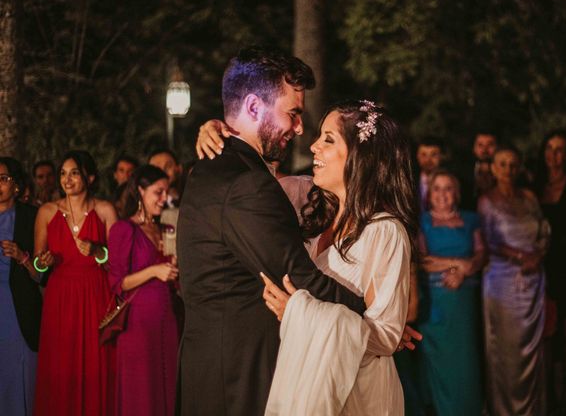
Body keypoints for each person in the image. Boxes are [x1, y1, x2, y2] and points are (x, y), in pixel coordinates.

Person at [176, 47, 367, 416]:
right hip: (238, 376)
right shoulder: (246, 183)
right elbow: (298, 278)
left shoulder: (210, 167)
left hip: (212, 366)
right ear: (252, 107)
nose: (299, 128)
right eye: (292, 114)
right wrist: (375, 320)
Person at [259, 100, 416, 414]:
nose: (314, 146)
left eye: (328, 139)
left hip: (359, 393)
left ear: (362, 157)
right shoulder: (315, 218)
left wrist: (297, 312)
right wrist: (219, 131)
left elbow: (385, 336)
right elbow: (255, 181)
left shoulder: (385, 232)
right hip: (313, 382)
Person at [32, 150, 118, 416]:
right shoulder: (47, 212)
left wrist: (97, 251)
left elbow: (117, 261)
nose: (67, 180)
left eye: (74, 173)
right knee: (61, 364)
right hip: (60, 298)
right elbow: (36, 268)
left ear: (89, 177)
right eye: (63, 174)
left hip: (95, 294)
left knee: (96, 363)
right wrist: (41, 262)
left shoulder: (104, 210)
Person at [478, 145, 550, 416]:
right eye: (502, 164)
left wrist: (538, 255)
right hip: (502, 282)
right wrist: (520, 255)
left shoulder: (530, 197)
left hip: (534, 281)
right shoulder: (486, 200)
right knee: (507, 355)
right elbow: (487, 241)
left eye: (512, 164)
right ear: (494, 168)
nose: (508, 170)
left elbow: (544, 230)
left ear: (519, 168)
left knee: (535, 351)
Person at [107, 164, 179, 416]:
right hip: (137, 325)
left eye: (166, 193)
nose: (164, 199)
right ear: (140, 191)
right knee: (141, 394)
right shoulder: (124, 229)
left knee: (166, 388)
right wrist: (154, 271)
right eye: (158, 192)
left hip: (166, 319)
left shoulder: (165, 228)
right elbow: (117, 282)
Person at [416, 169, 486, 415]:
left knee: (466, 363)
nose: (442, 194)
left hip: (463, 305)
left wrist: (466, 270)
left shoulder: (470, 219)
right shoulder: (421, 221)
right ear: (429, 193)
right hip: (435, 305)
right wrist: (458, 264)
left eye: (448, 188)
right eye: (437, 188)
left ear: (456, 193)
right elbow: (422, 260)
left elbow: (480, 255)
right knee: (436, 364)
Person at [534, 129, 566, 412]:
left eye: (560, 149)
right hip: (539, 268)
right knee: (547, 333)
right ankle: (549, 397)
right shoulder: (534, 183)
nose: (554, 155)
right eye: (550, 148)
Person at [0, 157, 41, 416]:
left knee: (19, 377)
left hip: (18, 306)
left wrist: (22, 257)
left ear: (16, 185)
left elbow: (43, 271)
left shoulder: (31, 216)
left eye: (3, 178)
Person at [459, 130, 498, 210]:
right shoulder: (461, 170)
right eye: (480, 145)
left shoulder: (506, 171)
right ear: (474, 148)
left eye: (490, 145)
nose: (485, 150)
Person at [415, 136, 444, 213]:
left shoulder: (451, 182)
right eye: (424, 155)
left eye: (433, 154)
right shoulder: (408, 181)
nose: (428, 160)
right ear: (417, 156)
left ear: (441, 157)